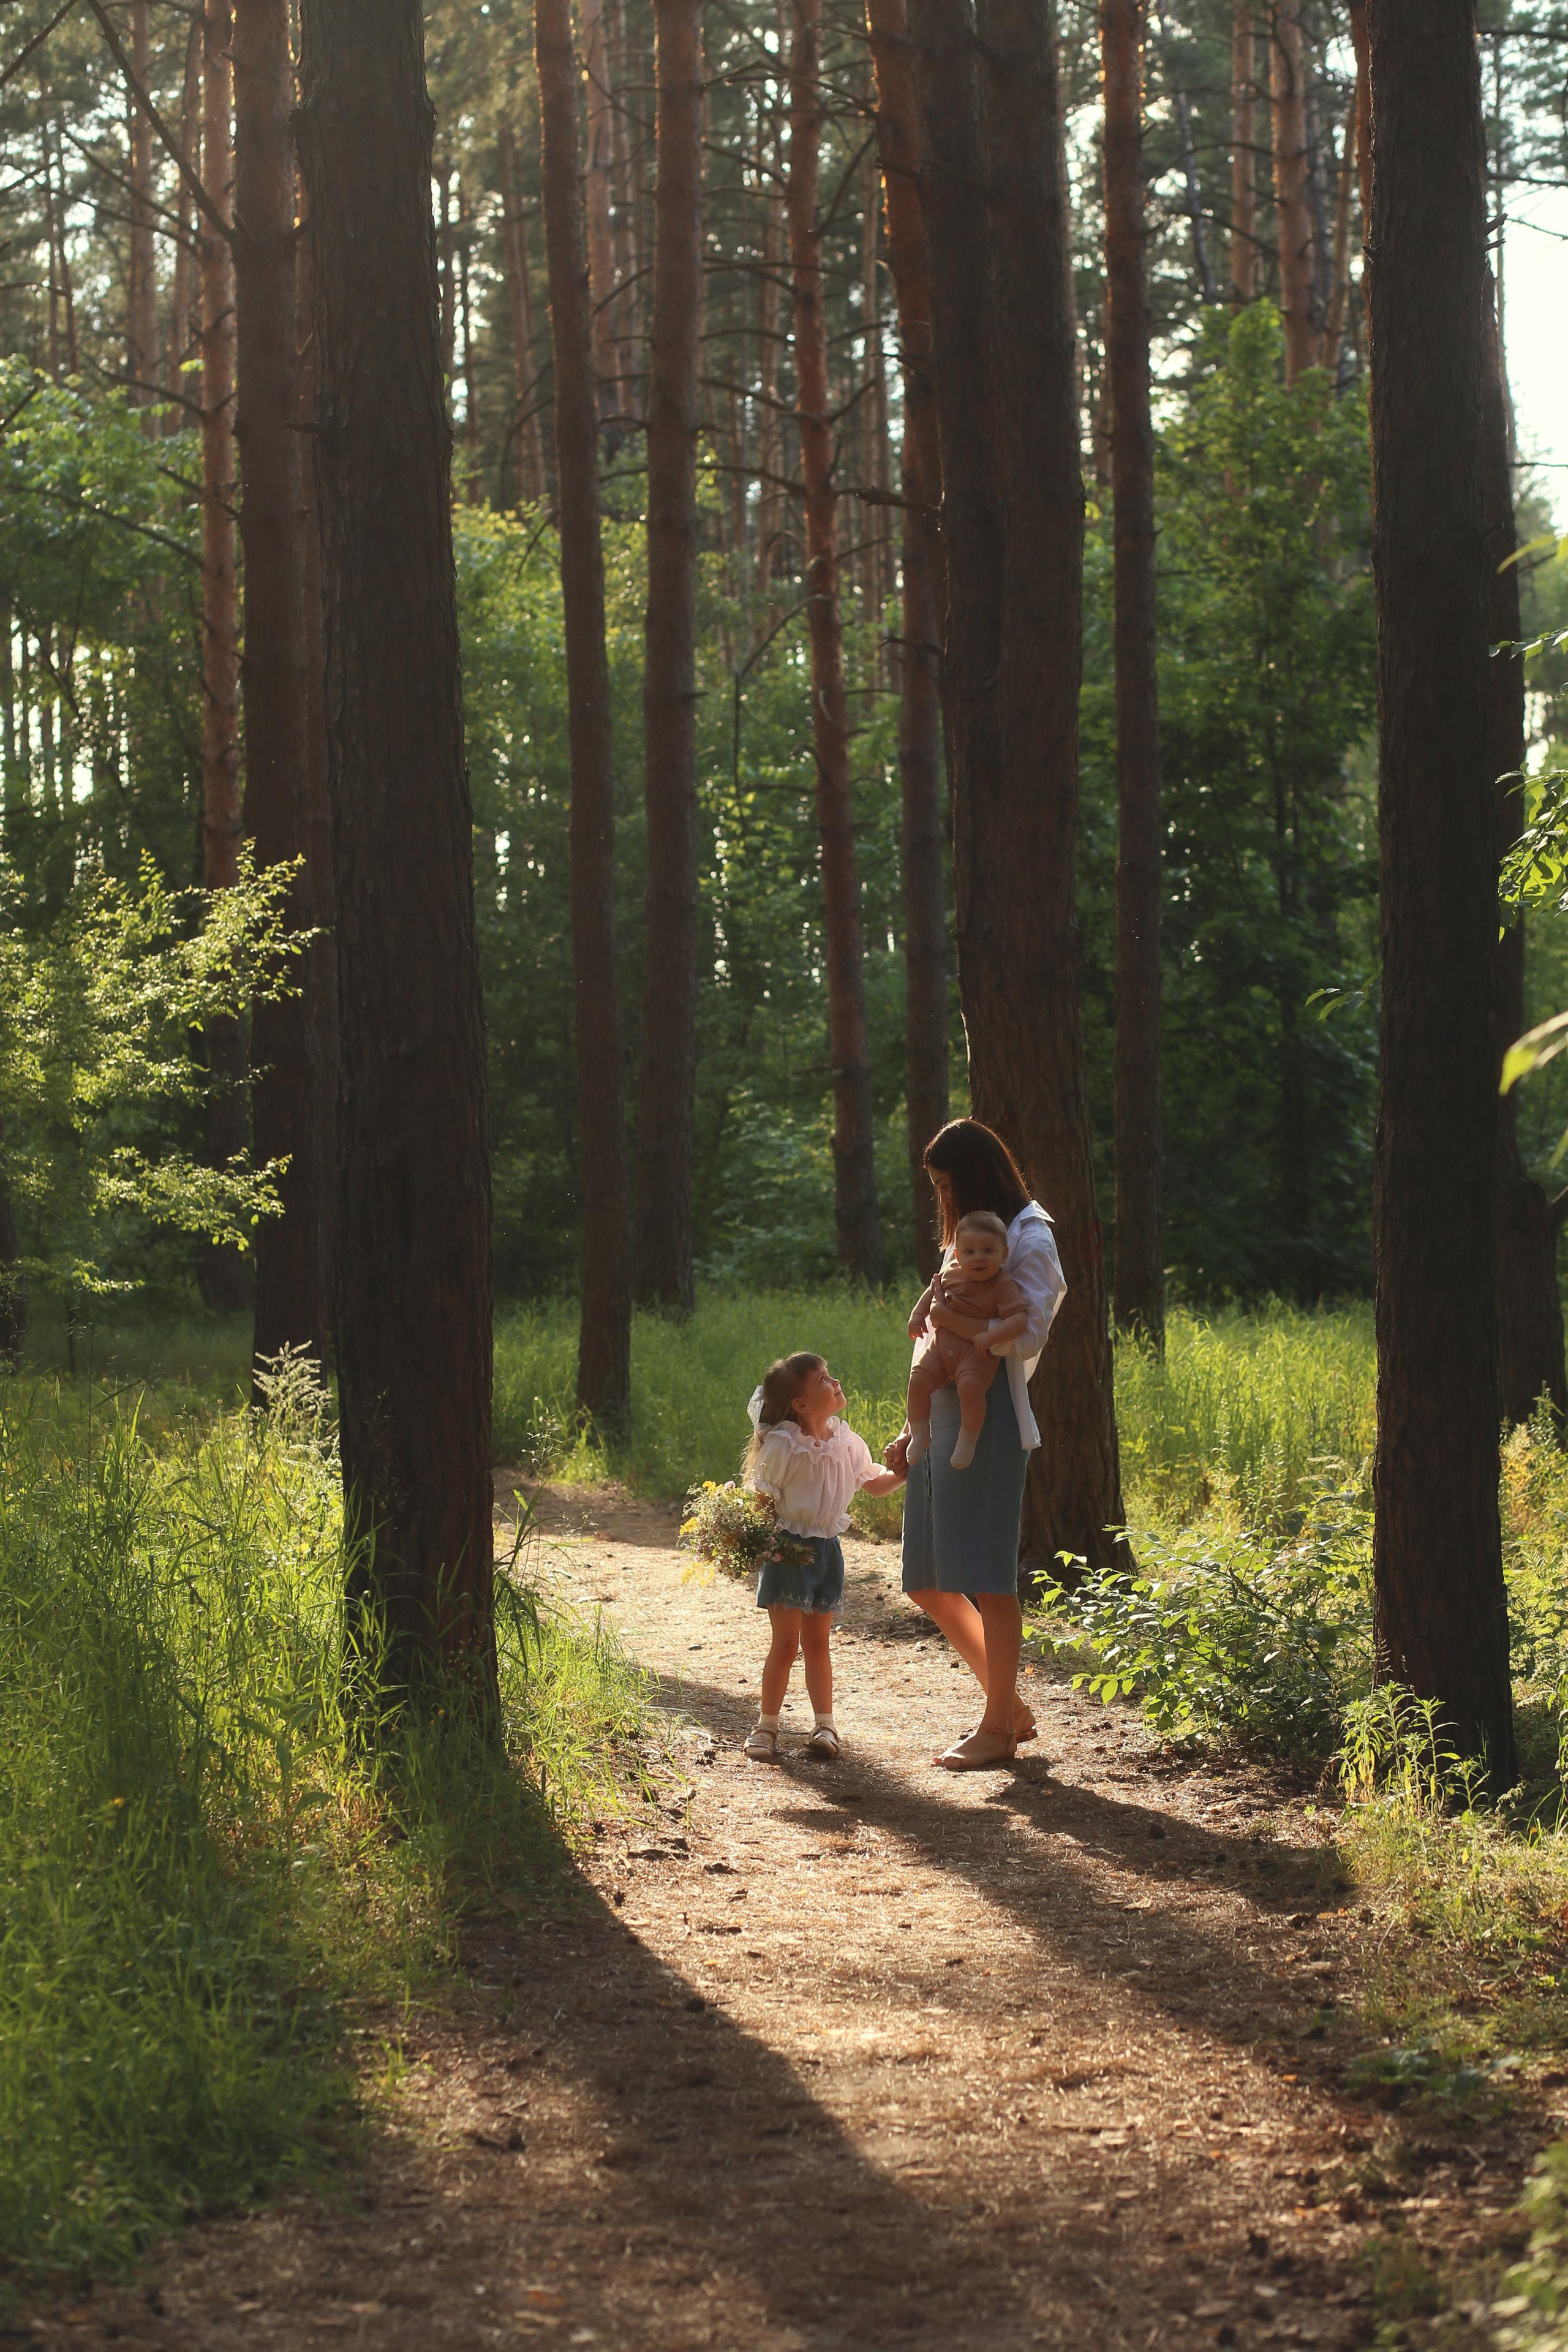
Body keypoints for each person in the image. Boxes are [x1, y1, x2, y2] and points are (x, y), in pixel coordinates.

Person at [886, 1120, 1066, 1771]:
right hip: (939, 1412)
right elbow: (929, 1330)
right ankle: (1008, 1706)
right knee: (926, 1577)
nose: (940, 1196)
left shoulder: (1028, 1236)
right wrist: (911, 1429)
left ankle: (997, 1728)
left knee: (988, 1577)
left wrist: (965, 1324)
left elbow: (1029, 1332)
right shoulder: (966, 1234)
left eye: (944, 1183)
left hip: (986, 1417)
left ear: (973, 1173)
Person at [742, 1352, 905, 1763]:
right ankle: (767, 1727)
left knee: (818, 1643)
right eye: (822, 1380)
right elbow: (763, 1498)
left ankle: (825, 1726)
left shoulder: (846, 1442)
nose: (834, 1383)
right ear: (800, 1404)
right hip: (789, 1550)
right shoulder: (784, 1444)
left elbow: (875, 1484)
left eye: (831, 1375)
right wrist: (765, 1545)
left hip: (828, 1551)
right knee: (785, 1644)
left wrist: (905, 1469)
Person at [906, 1211, 1028, 1469]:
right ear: (958, 1256)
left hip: (975, 1353)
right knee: (918, 1379)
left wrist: (991, 1336)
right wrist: (917, 1315)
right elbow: (931, 1292)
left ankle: (968, 1438)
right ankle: (918, 1434)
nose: (979, 1258)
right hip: (940, 1350)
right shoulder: (951, 1272)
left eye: (988, 1250)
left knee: (971, 1389)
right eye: (970, 1252)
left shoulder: (1002, 1284)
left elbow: (1019, 1320)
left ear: (1004, 1255)